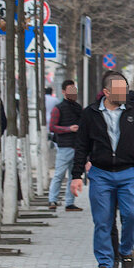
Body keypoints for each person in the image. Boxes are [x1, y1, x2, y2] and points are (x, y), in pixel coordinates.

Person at [71, 72, 134, 268]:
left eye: (125, 89)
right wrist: (76, 175)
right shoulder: (90, 113)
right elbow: (81, 146)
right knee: (103, 220)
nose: (124, 93)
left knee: (133, 215)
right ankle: (105, 262)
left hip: (130, 173)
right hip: (100, 174)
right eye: (119, 90)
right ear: (107, 92)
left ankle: (126, 251)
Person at [47, 80, 83, 212]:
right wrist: (69, 129)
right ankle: (52, 199)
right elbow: (52, 127)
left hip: (77, 146)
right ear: (63, 92)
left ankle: (70, 203)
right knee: (59, 174)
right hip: (64, 146)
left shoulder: (79, 108)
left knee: (74, 176)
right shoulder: (58, 108)